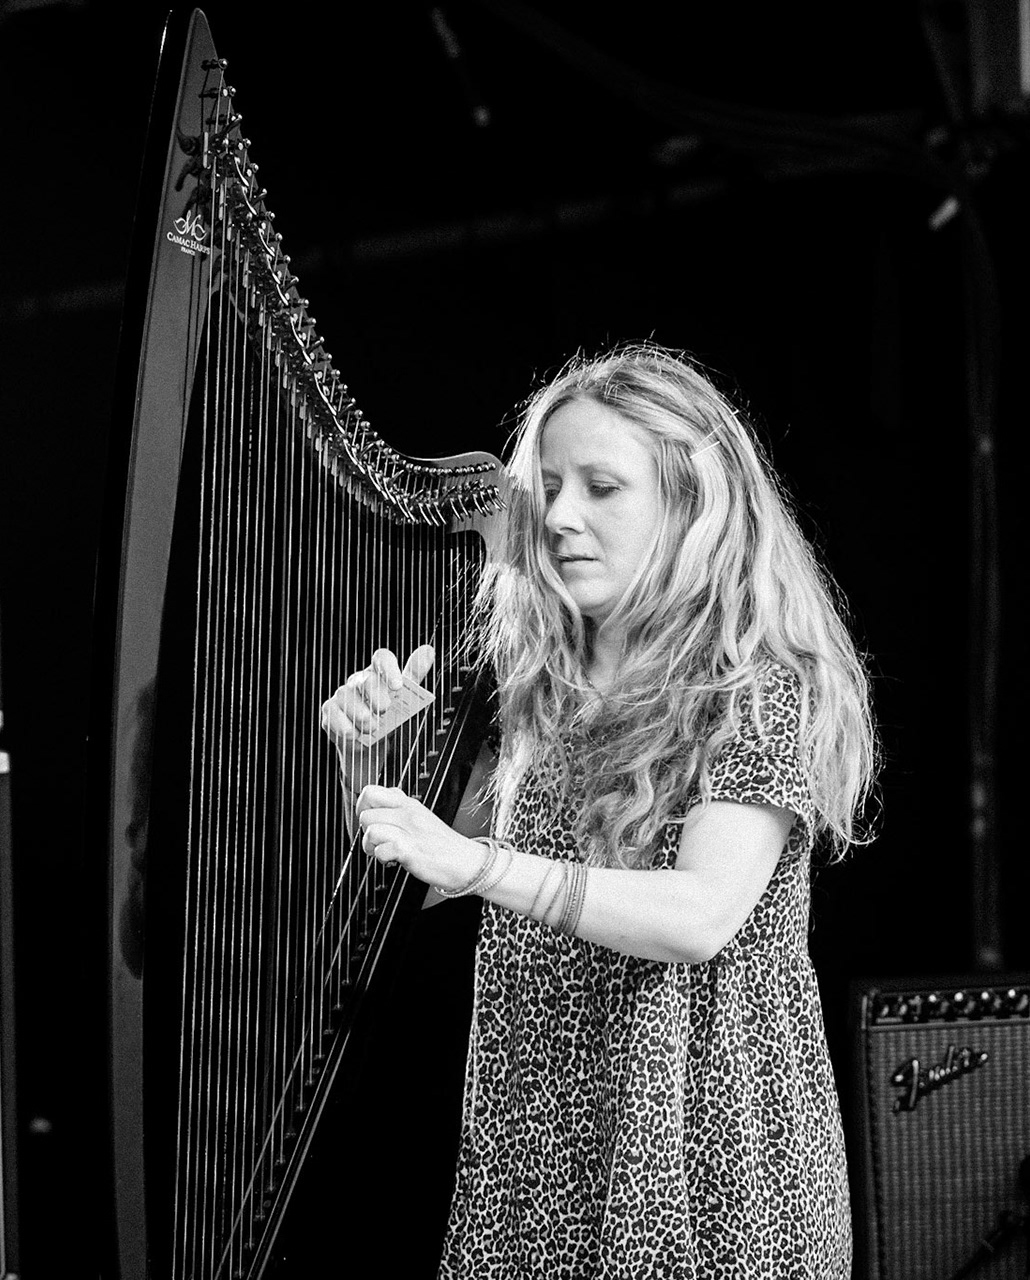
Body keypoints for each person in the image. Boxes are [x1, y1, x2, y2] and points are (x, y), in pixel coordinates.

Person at [319, 344, 878, 1278]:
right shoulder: (534, 694)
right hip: (537, 1158)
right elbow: (423, 892)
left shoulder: (761, 684)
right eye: (549, 487)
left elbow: (698, 916)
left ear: (691, 508)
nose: (562, 516)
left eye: (602, 487)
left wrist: (473, 862)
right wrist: (365, 774)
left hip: (707, 1163)